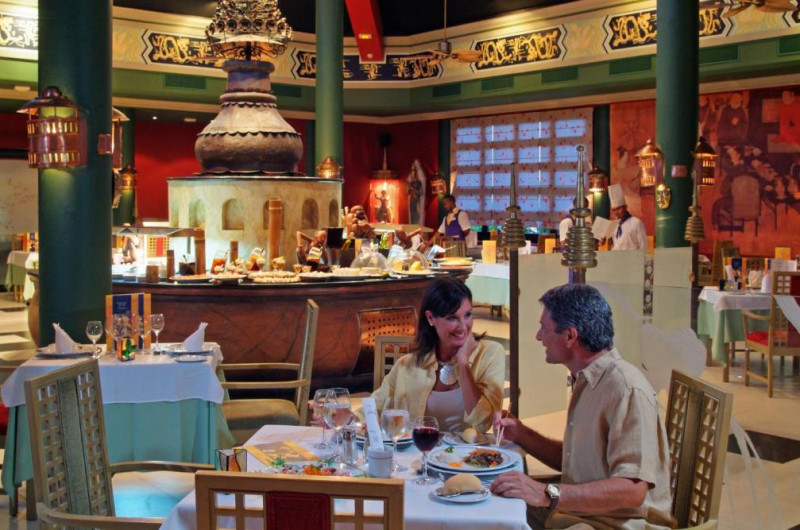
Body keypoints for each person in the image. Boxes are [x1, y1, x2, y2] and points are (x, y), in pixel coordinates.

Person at [490, 284, 672, 530]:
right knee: (488, 506)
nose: (538, 336)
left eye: (544, 328)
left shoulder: (626, 389)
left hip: (614, 524)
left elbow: (632, 490)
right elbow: (576, 462)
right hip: (579, 514)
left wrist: (547, 493)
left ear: (569, 336)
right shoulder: (589, 380)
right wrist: (522, 434)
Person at [371, 276, 505, 433]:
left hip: (468, 449)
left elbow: (484, 423)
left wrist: (463, 363)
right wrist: (350, 417)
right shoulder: (407, 365)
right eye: (452, 318)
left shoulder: (491, 354)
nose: (463, 327)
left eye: (468, 315)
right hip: (419, 447)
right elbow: (371, 409)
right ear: (430, 318)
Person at [608, 183, 647, 251]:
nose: (616, 212)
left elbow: (643, 245)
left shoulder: (636, 222)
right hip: (616, 256)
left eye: (618, 209)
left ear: (625, 207)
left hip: (632, 256)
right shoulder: (614, 225)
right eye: (614, 210)